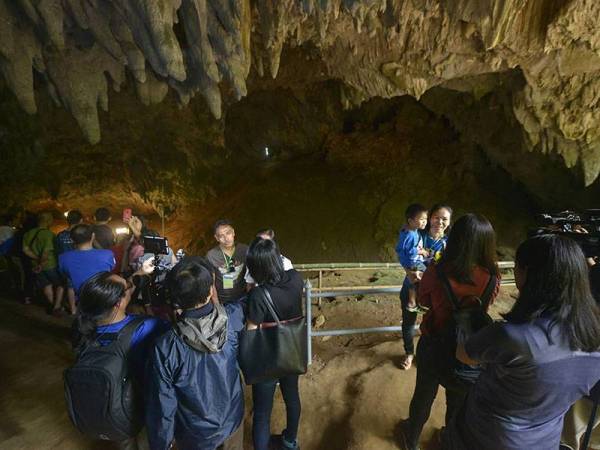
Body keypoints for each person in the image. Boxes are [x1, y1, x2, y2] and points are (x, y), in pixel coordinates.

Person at [446, 235, 600, 450]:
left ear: (527, 272)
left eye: (517, 267)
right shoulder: (594, 334)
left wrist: (468, 323)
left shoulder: (512, 335)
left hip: (487, 436)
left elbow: (464, 355)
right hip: (545, 440)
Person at [398, 214, 500, 450]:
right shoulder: (493, 277)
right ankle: (448, 440)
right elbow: (485, 306)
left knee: (424, 395)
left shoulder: (438, 270)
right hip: (468, 347)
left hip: (435, 341)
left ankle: (411, 439)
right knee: (457, 401)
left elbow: (424, 301)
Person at [145, 257, 245, 450]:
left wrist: (162, 443)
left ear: (173, 298)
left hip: (195, 434)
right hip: (232, 421)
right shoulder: (232, 320)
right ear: (210, 292)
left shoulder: (165, 346)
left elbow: (162, 402)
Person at [74, 264, 169, 450]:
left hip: (112, 407)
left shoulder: (82, 328)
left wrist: (139, 273)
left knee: (125, 440)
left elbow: (123, 291)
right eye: (126, 285)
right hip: (141, 403)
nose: (129, 284)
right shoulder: (146, 326)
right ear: (119, 302)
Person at [246, 237, 303, 450]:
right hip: (291, 349)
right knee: (292, 397)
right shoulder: (296, 278)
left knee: (262, 411)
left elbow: (252, 330)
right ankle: (290, 441)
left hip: (267, 356)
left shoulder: (258, 294)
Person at [399, 204, 452, 370]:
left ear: (449, 222)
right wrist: (411, 273)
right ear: (429, 218)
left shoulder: (450, 243)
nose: (440, 222)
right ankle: (409, 353)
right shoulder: (417, 233)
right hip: (412, 286)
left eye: (444, 219)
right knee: (408, 322)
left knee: (434, 325)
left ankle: (429, 355)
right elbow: (404, 254)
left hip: (436, 292)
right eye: (436, 217)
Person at [59, 224, 116, 314]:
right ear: (93, 236)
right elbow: (111, 268)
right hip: (103, 298)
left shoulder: (63, 258)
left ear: (72, 240)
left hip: (82, 300)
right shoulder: (108, 254)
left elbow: (65, 274)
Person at [22, 211, 63, 314]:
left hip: (35, 265)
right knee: (61, 284)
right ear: (49, 221)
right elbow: (46, 252)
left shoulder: (28, 233)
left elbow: (25, 250)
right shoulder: (48, 234)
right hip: (50, 265)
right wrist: (41, 263)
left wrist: (36, 259)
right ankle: (57, 306)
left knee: (46, 285)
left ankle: (52, 303)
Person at [396, 204, 429, 313]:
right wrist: (422, 251)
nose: (425, 222)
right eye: (421, 219)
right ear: (411, 221)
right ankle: (415, 301)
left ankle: (412, 302)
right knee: (426, 274)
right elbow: (410, 252)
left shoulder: (407, 230)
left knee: (413, 278)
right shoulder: (411, 234)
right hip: (412, 261)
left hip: (407, 260)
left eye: (426, 219)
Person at [206, 220, 249, 303]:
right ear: (216, 238)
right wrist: (217, 304)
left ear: (233, 232)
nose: (226, 238)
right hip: (224, 299)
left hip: (243, 295)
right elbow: (212, 283)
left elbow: (251, 275)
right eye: (221, 236)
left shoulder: (244, 250)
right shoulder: (211, 256)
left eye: (228, 233)